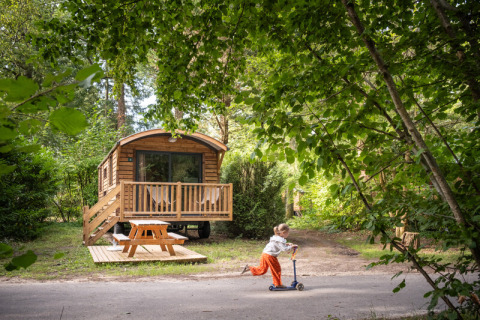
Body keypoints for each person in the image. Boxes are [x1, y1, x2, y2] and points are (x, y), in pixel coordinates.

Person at [241, 223, 297, 288]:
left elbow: (279, 245)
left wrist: (287, 244)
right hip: (270, 256)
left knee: (262, 269)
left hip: (265, 254)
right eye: (288, 232)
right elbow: (284, 249)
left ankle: (249, 268)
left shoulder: (276, 238)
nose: (288, 234)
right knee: (276, 270)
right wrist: (292, 247)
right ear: (283, 232)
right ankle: (278, 284)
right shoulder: (280, 240)